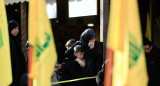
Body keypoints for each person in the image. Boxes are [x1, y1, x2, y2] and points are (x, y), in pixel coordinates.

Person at [8, 20, 27, 86]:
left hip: (16, 72)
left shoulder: (13, 40)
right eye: (14, 28)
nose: (17, 30)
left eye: (17, 28)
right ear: (10, 29)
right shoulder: (9, 40)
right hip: (12, 73)